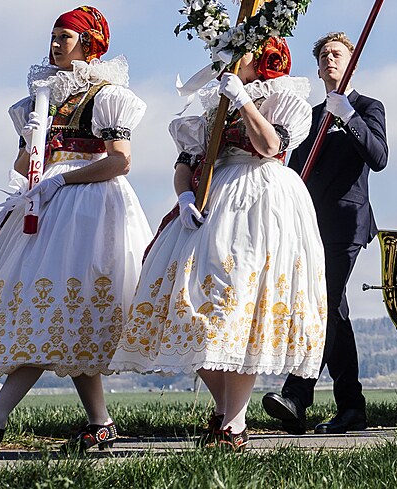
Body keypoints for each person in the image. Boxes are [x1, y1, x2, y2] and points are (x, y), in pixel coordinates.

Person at [0, 7, 149, 454]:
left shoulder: (105, 95)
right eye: (54, 36)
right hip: (44, 208)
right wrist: (35, 141)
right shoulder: (41, 98)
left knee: (58, 314)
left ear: (89, 43)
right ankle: (99, 423)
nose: (56, 44)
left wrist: (63, 177)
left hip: (88, 210)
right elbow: (23, 167)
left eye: (65, 37)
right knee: (60, 318)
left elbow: (120, 160)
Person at [114, 37, 326, 450]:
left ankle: (232, 423)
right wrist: (185, 196)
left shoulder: (281, 99)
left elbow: (270, 147)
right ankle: (228, 412)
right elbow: (186, 163)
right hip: (211, 203)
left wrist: (244, 101)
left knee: (240, 304)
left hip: (261, 201)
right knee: (192, 307)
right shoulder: (213, 106)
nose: (225, 62)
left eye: (237, 54)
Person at [262, 33, 388, 435]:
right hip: (310, 225)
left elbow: (379, 158)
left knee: (323, 305)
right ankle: (352, 406)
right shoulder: (310, 116)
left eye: (337, 54)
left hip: (347, 224)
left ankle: (298, 394)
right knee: (334, 311)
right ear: (317, 69)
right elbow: (294, 172)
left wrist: (349, 116)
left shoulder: (368, 107)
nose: (330, 60)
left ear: (351, 63)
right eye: (323, 56)